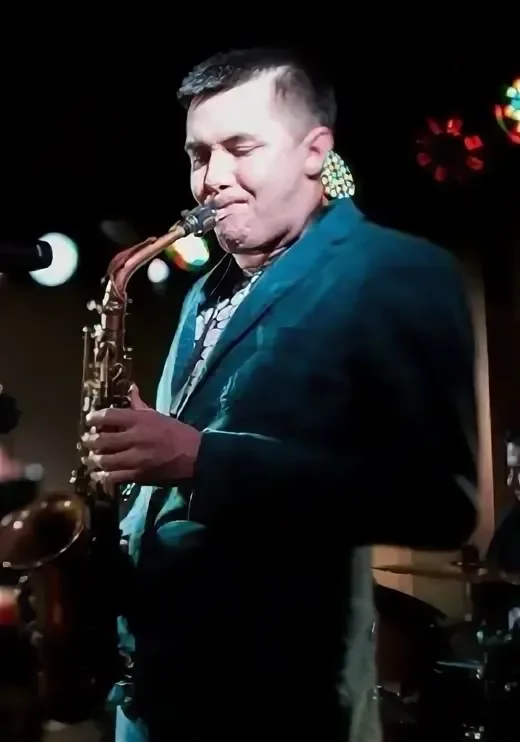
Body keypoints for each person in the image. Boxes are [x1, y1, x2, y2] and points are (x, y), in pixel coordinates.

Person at [83, 48, 478, 742]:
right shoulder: (204, 292)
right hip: (155, 693)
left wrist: (201, 460)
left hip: (277, 701)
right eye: (199, 154)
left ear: (313, 151)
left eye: (240, 149)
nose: (212, 178)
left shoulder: (399, 270)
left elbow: (440, 503)